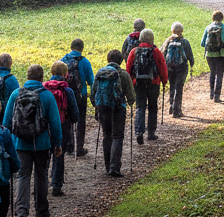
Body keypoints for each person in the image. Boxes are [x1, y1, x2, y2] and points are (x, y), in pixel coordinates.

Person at [2, 64, 62, 217]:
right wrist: (57, 143)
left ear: (27, 77)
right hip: (42, 143)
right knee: (41, 175)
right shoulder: (47, 95)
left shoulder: (16, 94)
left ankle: (22, 210)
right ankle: (41, 210)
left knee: (23, 175)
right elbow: (55, 123)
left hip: (20, 143)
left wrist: (7, 144)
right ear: (42, 78)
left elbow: (7, 122)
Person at [90, 49, 135, 177]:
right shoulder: (123, 74)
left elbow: (93, 93)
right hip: (118, 107)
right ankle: (115, 167)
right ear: (121, 61)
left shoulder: (100, 73)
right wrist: (130, 102)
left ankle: (107, 165)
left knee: (107, 135)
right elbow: (131, 95)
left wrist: (97, 105)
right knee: (117, 136)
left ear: (107, 59)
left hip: (103, 107)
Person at [125, 28, 167, 145]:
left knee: (140, 107)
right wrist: (164, 80)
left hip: (138, 83)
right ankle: (151, 133)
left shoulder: (134, 51)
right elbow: (162, 67)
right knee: (153, 107)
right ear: (152, 39)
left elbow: (129, 69)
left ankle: (139, 132)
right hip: (153, 83)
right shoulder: (156, 51)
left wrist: (129, 83)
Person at [44, 61, 79, 197]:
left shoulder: (44, 88)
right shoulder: (67, 90)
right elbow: (75, 112)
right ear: (66, 74)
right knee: (59, 155)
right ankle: (56, 186)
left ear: (52, 73)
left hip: (45, 126)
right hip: (62, 125)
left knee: (45, 156)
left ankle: (42, 183)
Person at [61, 38, 94, 157]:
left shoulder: (63, 60)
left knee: (67, 119)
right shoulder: (84, 61)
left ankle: (69, 146)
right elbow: (91, 80)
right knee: (80, 120)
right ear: (82, 48)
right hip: (80, 94)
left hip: (65, 93)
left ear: (71, 47)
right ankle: (79, 147)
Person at [160, 22, 195, 117]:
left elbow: (162, 53)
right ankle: (177, 110)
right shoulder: (184, 42)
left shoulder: (168, 41)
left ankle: (171, 106)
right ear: (182, 30)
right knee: (179, 88)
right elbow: (190, 55)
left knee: (172, 86)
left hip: (170, 68)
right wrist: (191, 63)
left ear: (172, 30)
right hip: (182, 68)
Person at [200, 11, 224, 103]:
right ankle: (217, 95)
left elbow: (202, 44)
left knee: (212, 72)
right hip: (221, 54)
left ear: (213, 18)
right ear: (222, 18)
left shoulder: (208, 28)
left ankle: (211, 92)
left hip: (210, 55)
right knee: (220, 74)